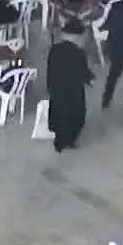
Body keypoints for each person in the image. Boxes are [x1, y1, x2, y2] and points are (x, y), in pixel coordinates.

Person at [45, 19, 95, 151]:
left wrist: (49, 87)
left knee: (60, 115)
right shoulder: (78, 53)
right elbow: (82, 71)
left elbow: (50, 69)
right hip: (73, 90)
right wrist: (89, 79)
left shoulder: (55, 49)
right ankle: (70, 139)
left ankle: (60, 142)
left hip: (56, 88)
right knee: (76, 116)